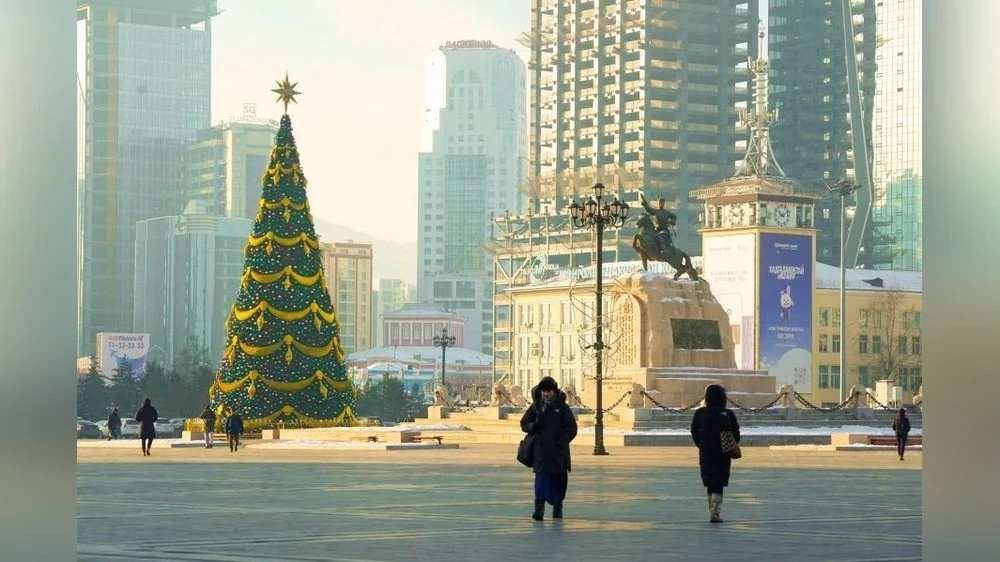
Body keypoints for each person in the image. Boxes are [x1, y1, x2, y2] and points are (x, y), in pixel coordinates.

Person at [519, 376, 578, 521]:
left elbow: (572, 428)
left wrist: (562, 441)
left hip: (558, 453)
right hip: (541, 452)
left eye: (549, 391)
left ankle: (557, 508)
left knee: (558, 482)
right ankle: (538, 511)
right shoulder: (536, 406)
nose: (546, 394)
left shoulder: (562, 407)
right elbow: (524, 424)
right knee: (541, 482)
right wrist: (533, 425)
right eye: (544, 391)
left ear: (554, 391)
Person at [690, 384, 740, 523]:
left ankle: (711, 511)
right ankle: (715, 513)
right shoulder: (727, 414)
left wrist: (702, 445)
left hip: (705, 453)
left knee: (710, 482)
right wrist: (729, 444)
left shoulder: (700, 413)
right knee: (719, 482)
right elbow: (735, 434)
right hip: (722, 453)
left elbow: (694, 432)